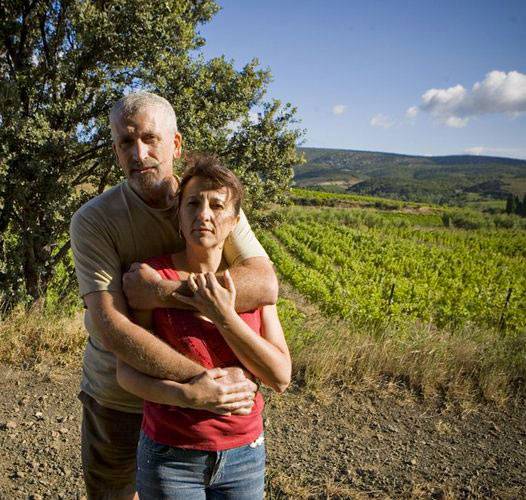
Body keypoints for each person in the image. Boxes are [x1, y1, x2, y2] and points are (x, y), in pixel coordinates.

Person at [70, 92, 279, 499]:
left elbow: (264, 283)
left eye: (150, 139)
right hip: (120, 397)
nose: (139, 153)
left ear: (176, 144)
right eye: (126, 143)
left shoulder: (208, 202)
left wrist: (161, 291)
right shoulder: (94, 220)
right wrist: (200, 382)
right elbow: (110, 326)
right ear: (115, 150)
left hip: (206, 415)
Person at [116, 155, 291, 499]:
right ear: (179, 216)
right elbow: (126, 373)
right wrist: (188, 395)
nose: (204, 214)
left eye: (217, 205)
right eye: (193, 203)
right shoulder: (152, 278)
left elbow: (281, 377)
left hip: (244, 453)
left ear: (234, 221)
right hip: (171, 456)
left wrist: (224, 316)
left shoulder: (253, 285)